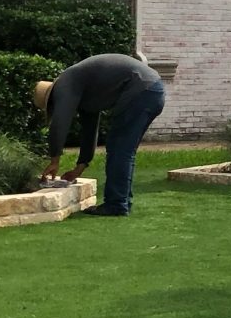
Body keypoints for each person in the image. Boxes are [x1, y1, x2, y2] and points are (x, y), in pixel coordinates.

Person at [35, 54, 168, 217]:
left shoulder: (65, 83)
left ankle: (116, 205)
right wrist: (80, 167)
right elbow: (90, 129)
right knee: (123, 148)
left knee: (120, 147)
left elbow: (59, 123)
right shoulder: (83, 91)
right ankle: (122, 200)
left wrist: (54, 160)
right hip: (152, 89)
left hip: (141, 89)